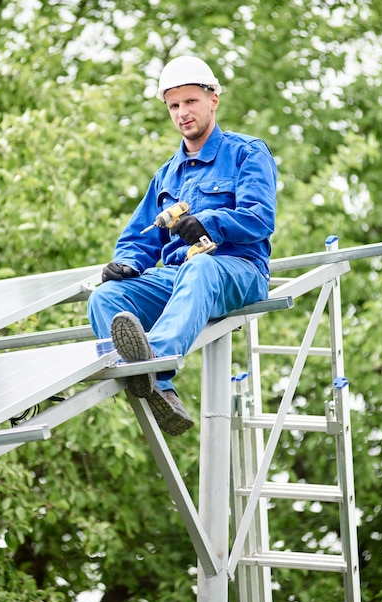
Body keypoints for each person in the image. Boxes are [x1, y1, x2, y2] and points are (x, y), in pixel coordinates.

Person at [88, 55, 277, 436]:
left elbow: (260, 218)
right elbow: (138, 238)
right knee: (105, 297)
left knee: (200, 267)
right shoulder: (166, 174)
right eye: (174, 105)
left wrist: (210, 223)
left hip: (237, 268)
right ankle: (159, 390)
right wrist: (125, 263)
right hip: (179, 277)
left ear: (213, 100)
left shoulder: (247, 152)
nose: (182, 112)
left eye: (190, 101)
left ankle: (154, 363)